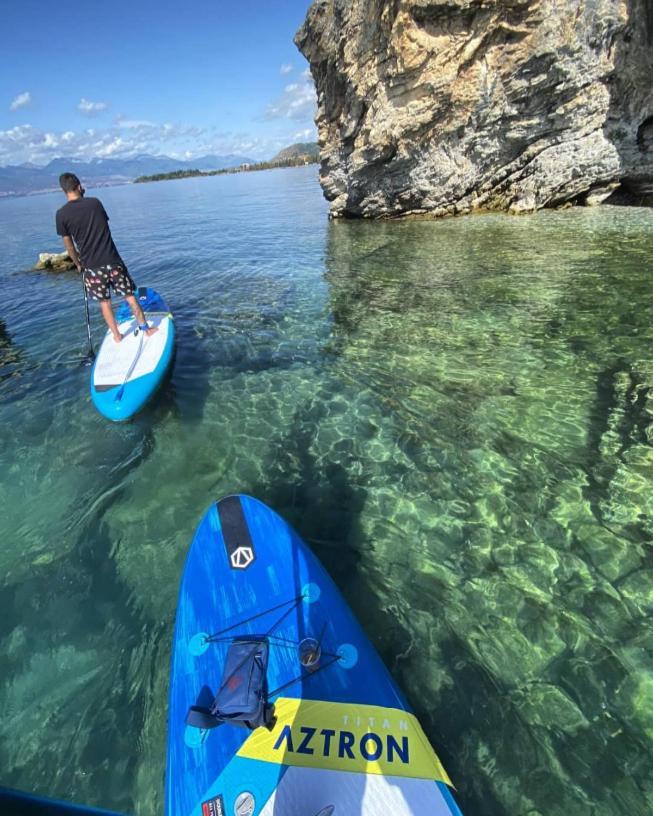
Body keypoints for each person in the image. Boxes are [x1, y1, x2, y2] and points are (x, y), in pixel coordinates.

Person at [55, 172, 157, 343]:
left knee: (105, 303)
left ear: (63, 191)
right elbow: (102, 225)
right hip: (112, 260)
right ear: (79, 186)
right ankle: (146, 329)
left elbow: (69, 246)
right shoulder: (95, 203)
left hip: (91, 266)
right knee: (130, 296)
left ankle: (117, 336)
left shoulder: (61, 214)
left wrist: (78, 264)